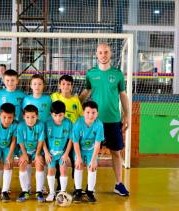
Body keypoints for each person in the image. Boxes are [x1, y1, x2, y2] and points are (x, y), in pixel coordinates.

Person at [80, 43, 130, 196]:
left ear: (111, 53)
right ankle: (90, 185)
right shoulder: (90, 74)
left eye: (106, 52)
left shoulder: (118, 74)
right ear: (96, 54)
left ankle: (119, 183)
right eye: (100, 52)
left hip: (113, 121)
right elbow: (86, 92)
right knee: (90, 153)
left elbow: (123, 94)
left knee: (116, 152)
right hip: (94, 122)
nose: (103, 55)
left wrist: (127, 114)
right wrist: (75, 106)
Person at [0, 69, 25, 193]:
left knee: (10, 160)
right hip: (1, 132)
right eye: (8, 80)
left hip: (16, 131)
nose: (10, 82)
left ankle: (7, 188)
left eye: (13, 80)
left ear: (17, 81)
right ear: (4, 81)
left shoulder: (22, 95)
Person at [50, 74, 83, 190]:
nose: (65, 86)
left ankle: (76, 186)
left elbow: (81, 117)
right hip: (59, 136)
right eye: (63, 84)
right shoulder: (54, 97)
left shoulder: (75, 100)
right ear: (59, 85)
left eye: (68, 84)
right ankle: (59, 185)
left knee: (75, 160)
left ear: (72, 86)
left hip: (73, 136)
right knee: (60, 161)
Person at [22, 74, 52, 193]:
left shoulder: (48, 99)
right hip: (31, 134)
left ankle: (42, 186)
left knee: (42, 160)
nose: (37, 86)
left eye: (40, 84)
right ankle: (28, 187)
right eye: (34, 84)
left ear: (43, 86)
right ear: (30, 85)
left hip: (45, 134)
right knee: (28, 160)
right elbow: (24, 115)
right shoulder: (27, 99)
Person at [72, 101, 104, 203]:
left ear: (97, 114)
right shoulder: (78, 124)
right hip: (79, 150)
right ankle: (78, 191)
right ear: (83, 113)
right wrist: (79, 158)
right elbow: (75, 142)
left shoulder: (99, 125)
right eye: (88, 112)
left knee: (92, 168)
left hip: (91, 151)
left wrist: (93, 160)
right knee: (78, 166)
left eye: (93, 112)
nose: (90, 115)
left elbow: (98, 144)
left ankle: (90, 192)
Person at [44, 101, 72, 202]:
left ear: (64, 113)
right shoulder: (47, 123)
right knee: (51, 171)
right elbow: (42, 139)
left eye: (60, 115)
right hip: (50, 153)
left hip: (62, 153)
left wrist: (66, 154)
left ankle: (62, 193)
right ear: (51, 114)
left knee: (63, 170)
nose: (58, 118)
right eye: (55, 115)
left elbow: (71, 140)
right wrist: (46, 153)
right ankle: (51, 192)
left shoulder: (68, 123)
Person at [16, 105, 45, 203]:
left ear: (37, 116)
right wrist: (24, 154)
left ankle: (39, 191)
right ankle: (25, 191)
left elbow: (41, 141)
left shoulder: (40, 125)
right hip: (24, 150)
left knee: (40, 162)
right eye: (27, 117)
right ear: (24, 116)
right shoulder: (20, 126)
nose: (30, 120)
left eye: (33, 117)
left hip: (36, 150)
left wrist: (37, 154)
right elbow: (20, 142)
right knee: (23, 162)